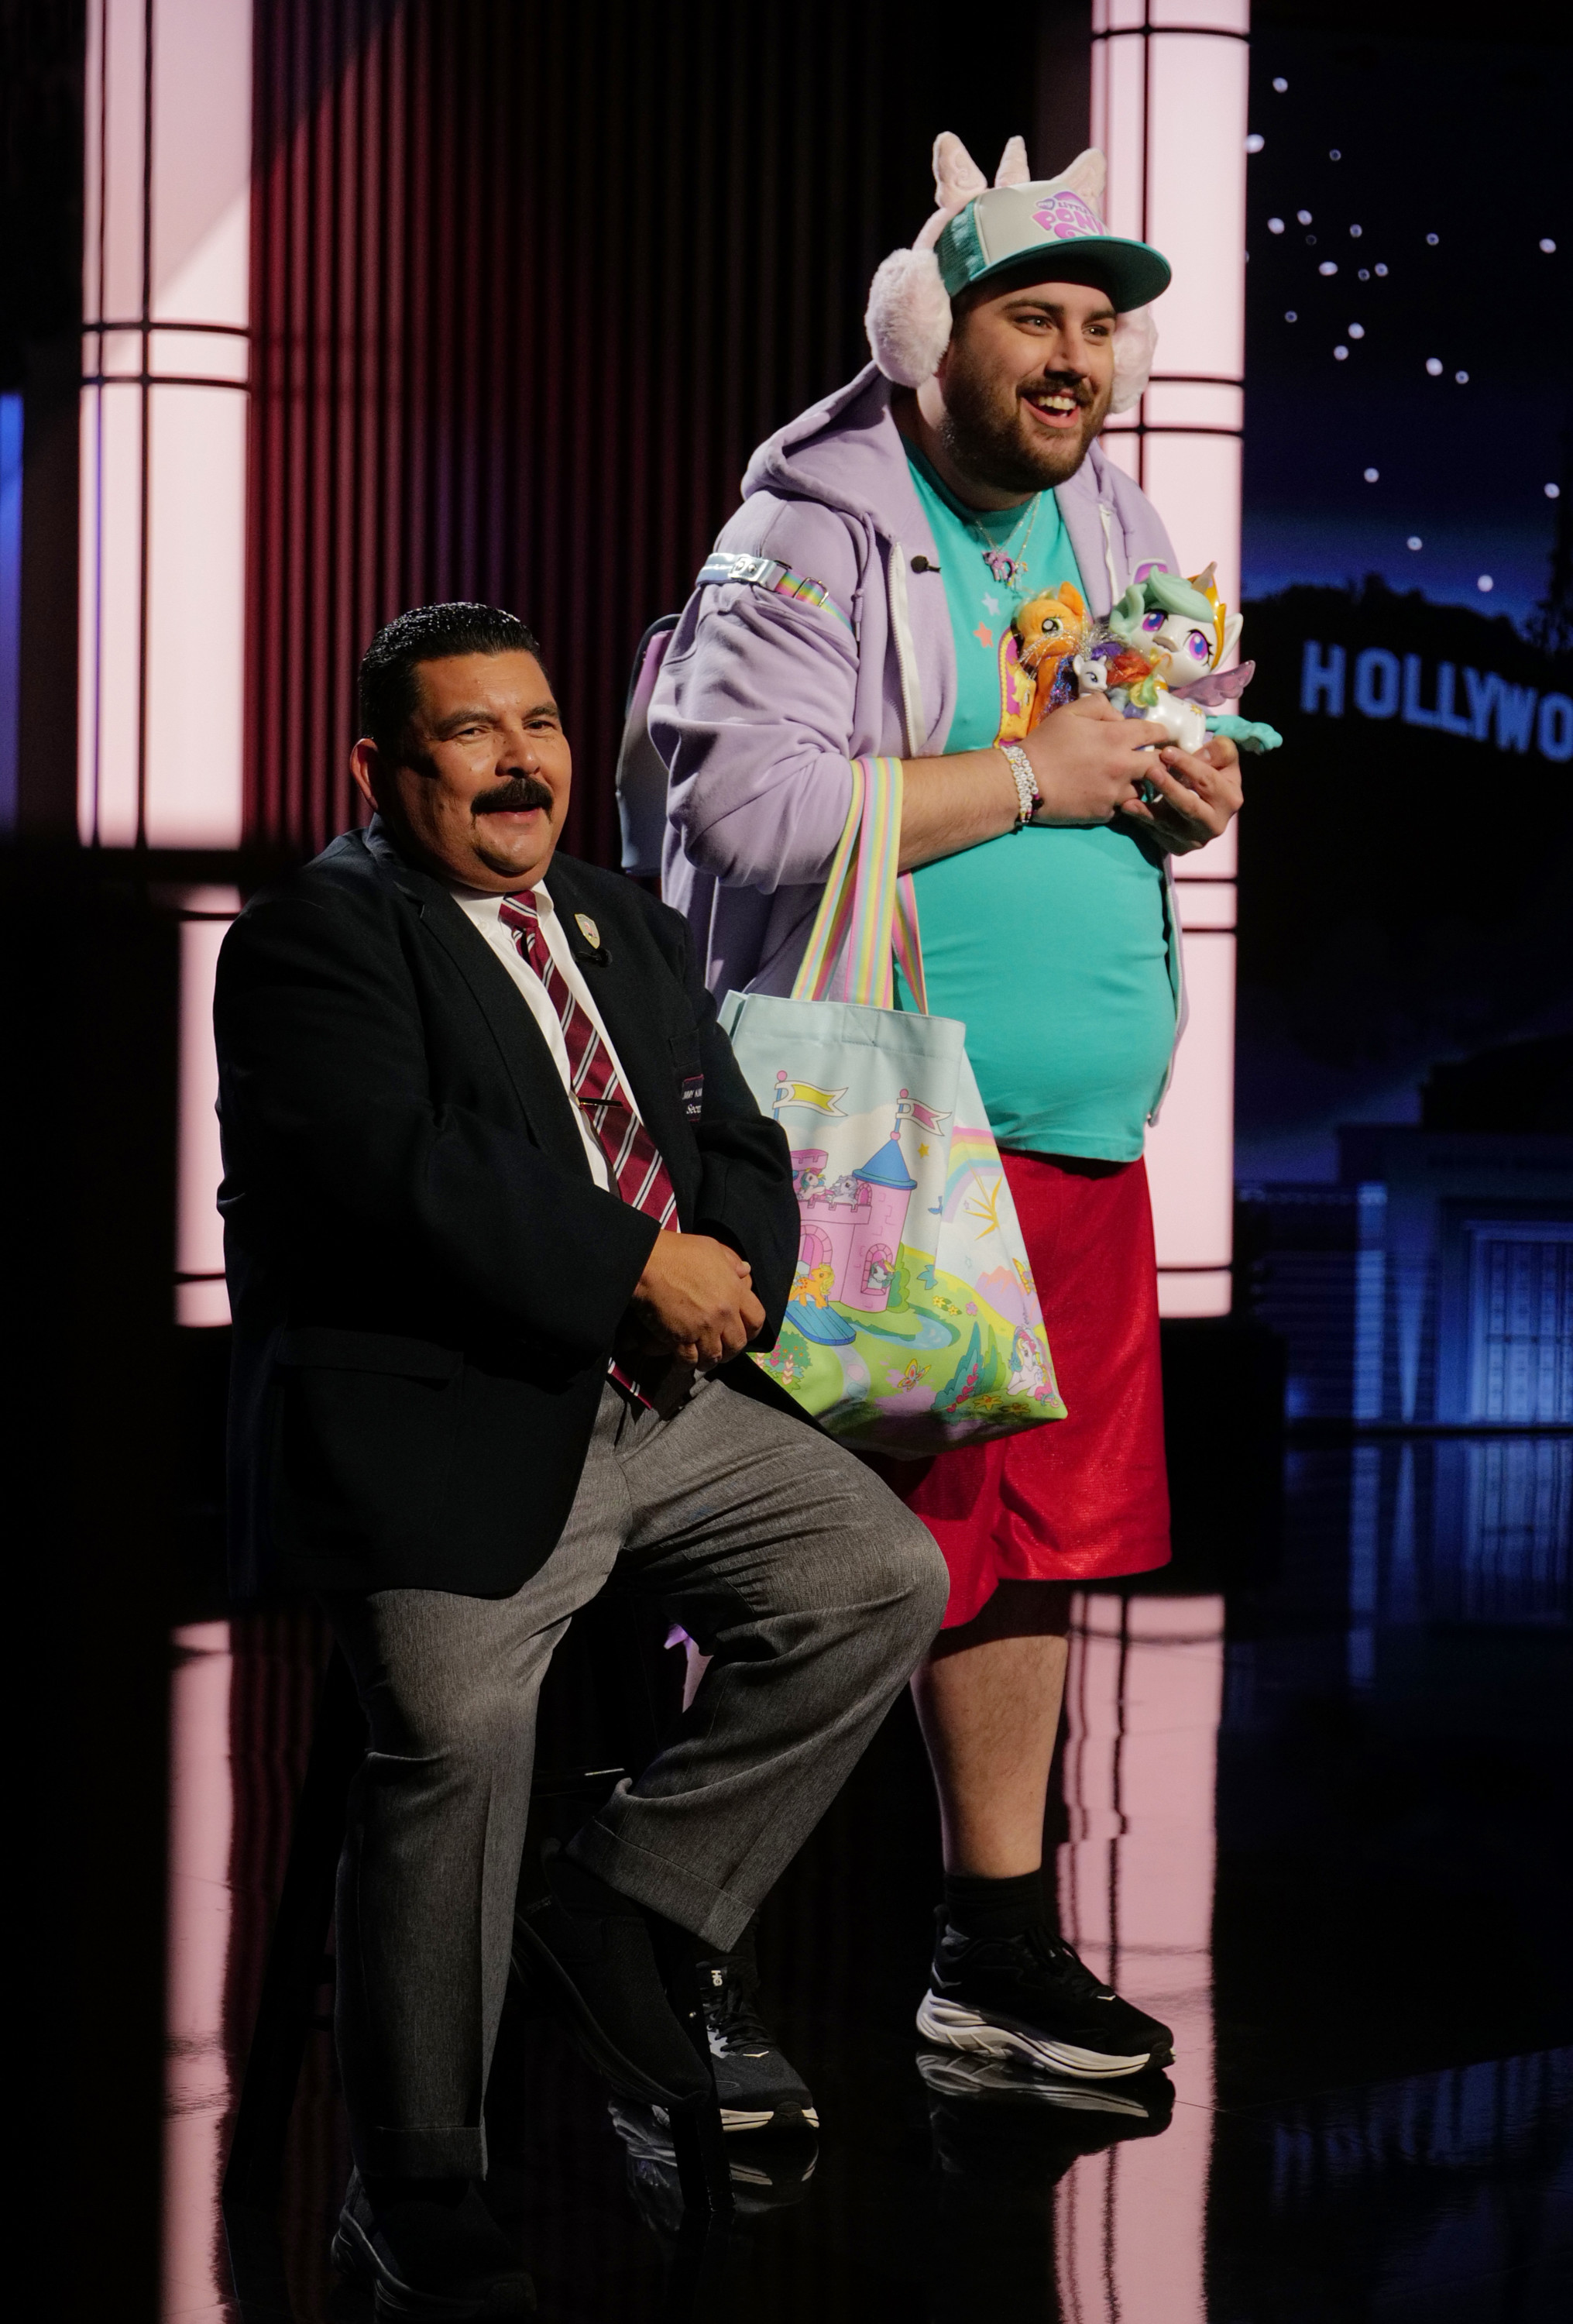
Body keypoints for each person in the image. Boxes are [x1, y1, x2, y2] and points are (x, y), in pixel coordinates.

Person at [215, 601, 948, 2316]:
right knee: (458, 1738)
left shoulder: (622, 920)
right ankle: (415, 2186)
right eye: (469, 732)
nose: (518, 760)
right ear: (380, 769)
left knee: (878, 1577)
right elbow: (402, 1171)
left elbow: (730, 1136)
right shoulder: (316, 938)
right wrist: (635, 1269)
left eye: (537, 724)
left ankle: (624, 1902)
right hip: (441, 1420)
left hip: (655, 1405)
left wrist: (727, 1272)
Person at [652, 136, 1244, 2089]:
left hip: (1071, 1133)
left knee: (1036, 1546)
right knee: (785, 1553)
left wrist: (1178, 777)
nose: (1074, 359)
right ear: (925, 335)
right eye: (1030, 319)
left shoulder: (1114, 511)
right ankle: (671, 1955)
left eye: (1097, 327)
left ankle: (990, 1953)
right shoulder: (807, 522)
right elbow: (742, 809)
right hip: (867, 1140)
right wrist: (1033, 777)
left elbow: (1138, 725)